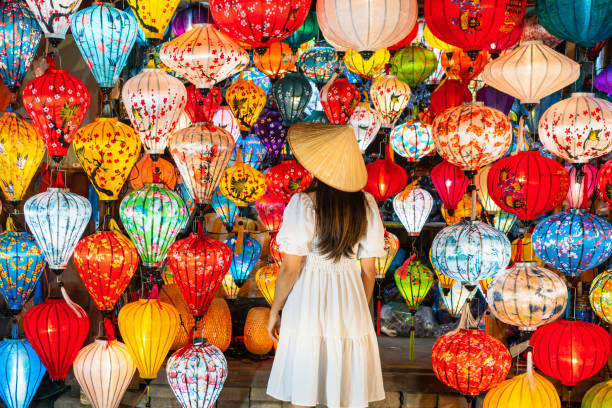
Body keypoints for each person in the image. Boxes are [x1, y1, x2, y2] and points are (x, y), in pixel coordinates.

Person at [266, 123, 386, 408]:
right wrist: (357, 306)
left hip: (309, 295)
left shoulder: (304, 203)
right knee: (345, 389)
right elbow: (369, 271)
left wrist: (274, 310)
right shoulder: (366, 203)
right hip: (350, 296)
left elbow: (291, 268)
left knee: (304, 383)